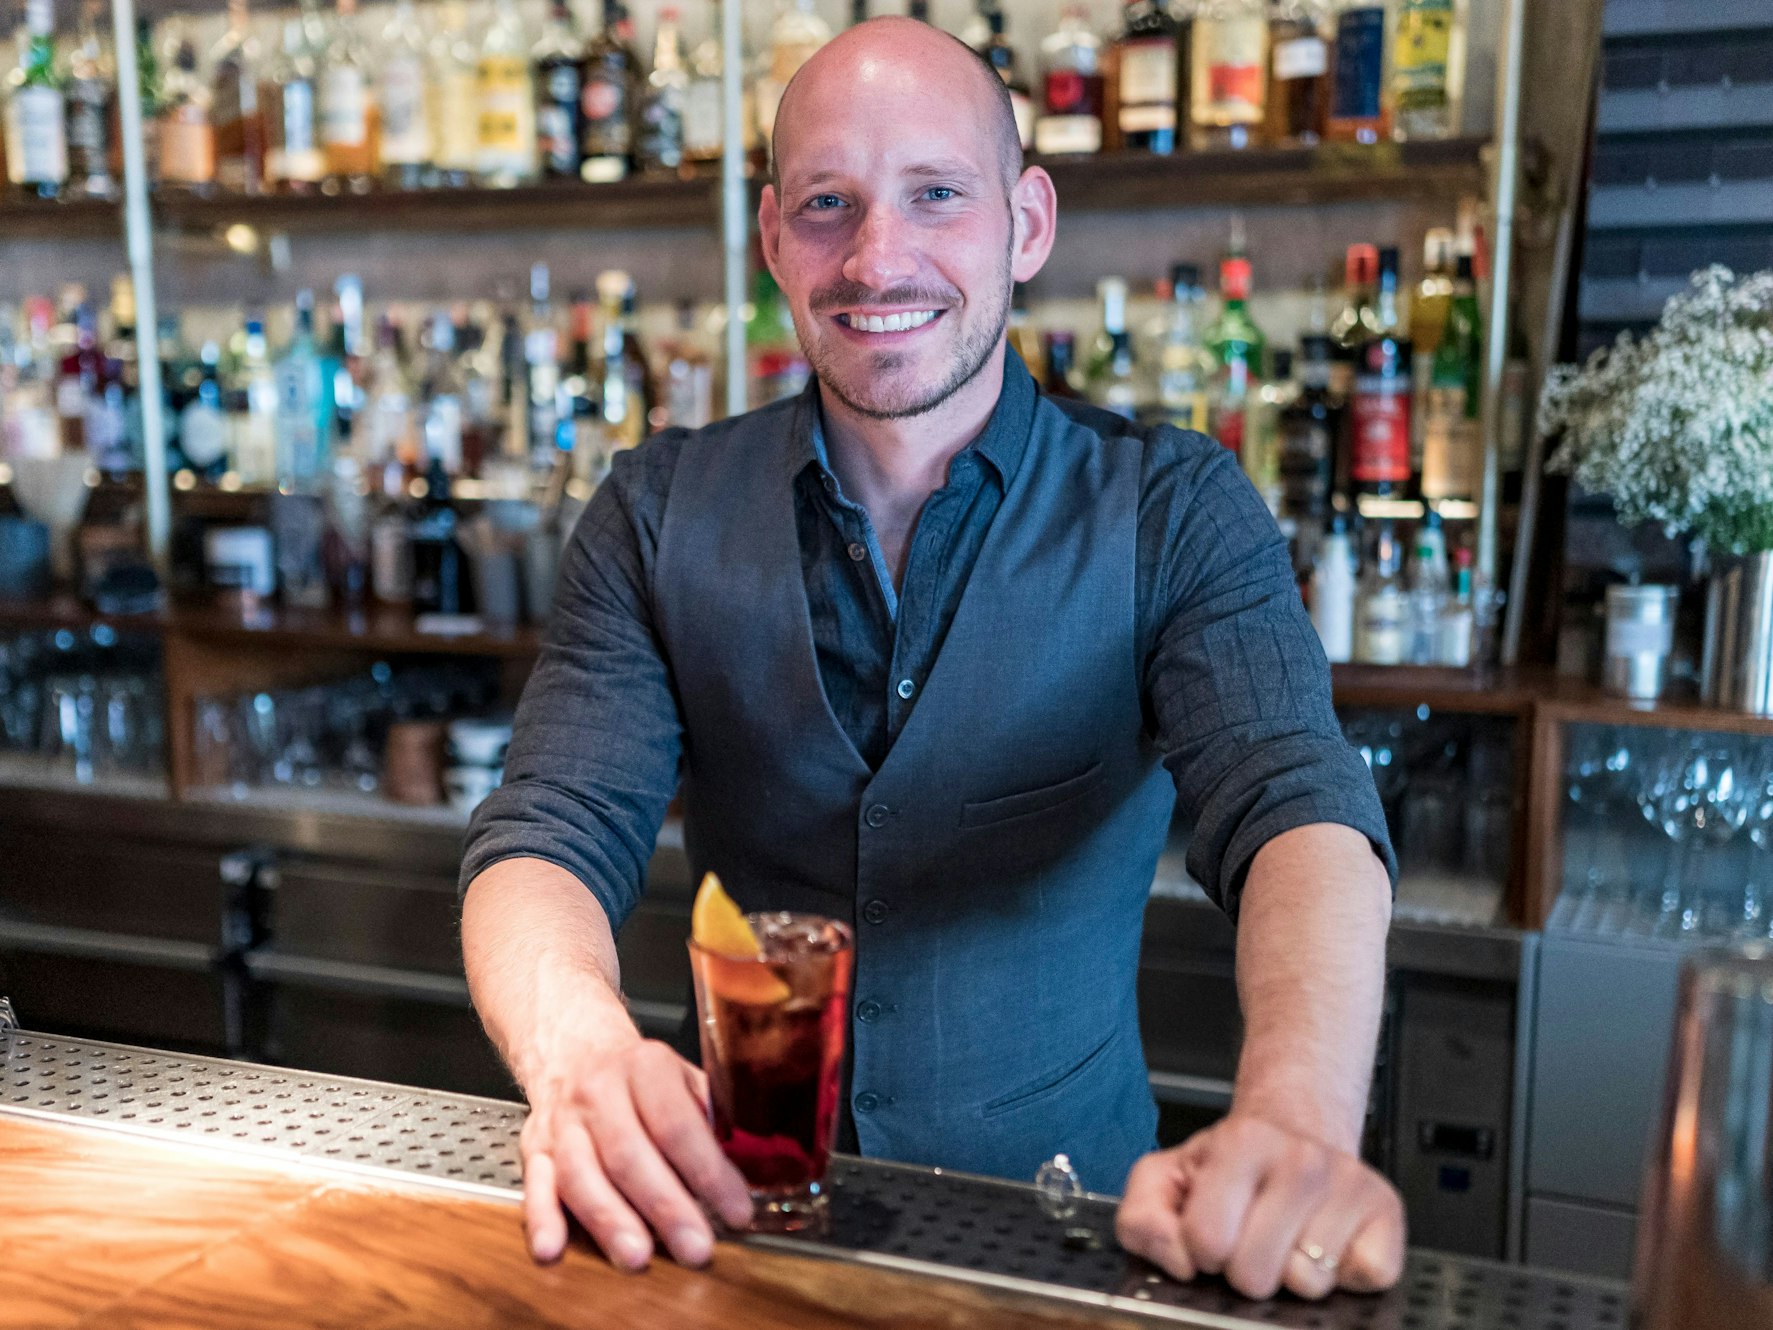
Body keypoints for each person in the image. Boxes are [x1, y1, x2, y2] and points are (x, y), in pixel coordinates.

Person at [459, 15, 1405, 1304]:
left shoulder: (1173, 507)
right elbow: (546, 833)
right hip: (727, 1226)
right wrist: (578, 1053)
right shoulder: (655, 509)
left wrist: (1297, 1116)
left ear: (1026, 222)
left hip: (1066, 1246)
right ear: (773, 240)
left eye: (936, 195)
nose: (876, 256)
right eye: (828, 204)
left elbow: (1296, 804)